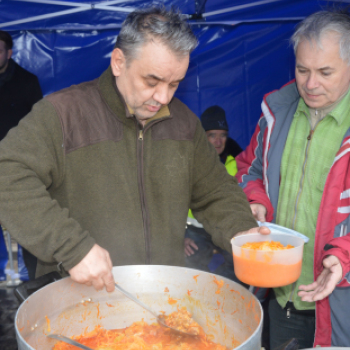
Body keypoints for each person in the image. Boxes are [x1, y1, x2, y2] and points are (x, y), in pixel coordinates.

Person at [0, 7, 267, 294]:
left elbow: (215, 193)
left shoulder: (185, 124)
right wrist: (72, 247)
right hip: (78, 299)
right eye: (151, 81)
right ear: (118, 62)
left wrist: (242, 232)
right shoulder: (63, 114)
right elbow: (7, 175)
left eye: (174, 83)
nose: (163, 97)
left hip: (160, 297)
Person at [236, 10, 350, 348]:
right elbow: (249, 171)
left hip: (341, 303)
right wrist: (255, 200)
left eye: (325, 72)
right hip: (282, 297)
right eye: (302, 70)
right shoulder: (278, 110)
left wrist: (344, 256)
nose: (310, 84)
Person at [0, 30, 43, 281]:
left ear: (9, 53)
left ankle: (30, 276)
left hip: (16, 165)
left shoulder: (27, 82)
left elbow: (37, 126)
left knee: (24, 219)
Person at [184, 105, 243, 281]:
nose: (218, 141)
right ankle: (199, 296)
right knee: (187, 263)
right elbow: (172, 203)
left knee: (241, 265)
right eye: (212, 135)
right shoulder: (187, 162)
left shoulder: (239, 162)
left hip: (225, 228)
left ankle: (215, 291)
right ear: (203, 137)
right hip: (195, 229)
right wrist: (181, 237)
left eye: (222, 135)